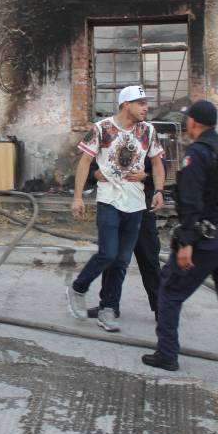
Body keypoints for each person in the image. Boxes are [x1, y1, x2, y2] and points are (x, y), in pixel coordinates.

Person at [141, 99, 218, 380]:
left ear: (194, 122)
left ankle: (167, 354)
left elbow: (192, 201)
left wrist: (186, 243)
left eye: (187, 120)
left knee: (169, 291)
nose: (186, 125)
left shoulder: (197, 154)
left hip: (204, 240)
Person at [68, 85, 165, 332]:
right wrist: (78, 197)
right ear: (126, 104)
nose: (146, 107)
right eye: (141, 103)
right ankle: (78, 287)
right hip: (109, 201)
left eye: (146, 103)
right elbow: (85, 162)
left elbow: (157, 163)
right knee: (108, 254)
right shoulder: (102, 129)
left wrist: (159, 190)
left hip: (137, 205)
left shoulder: (148, 131)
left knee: (124, 261)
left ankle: (108, 309)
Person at [88, 154, 162, 319]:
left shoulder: (146, 138)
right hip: (114, 210)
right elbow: (91, 168)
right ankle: (109, 306)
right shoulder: (109, 138)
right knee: (111, 258)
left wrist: (146, 176)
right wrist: (95, 175)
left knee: (149, 259)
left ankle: (161, 309)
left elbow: (160, 168)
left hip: (142, 210)